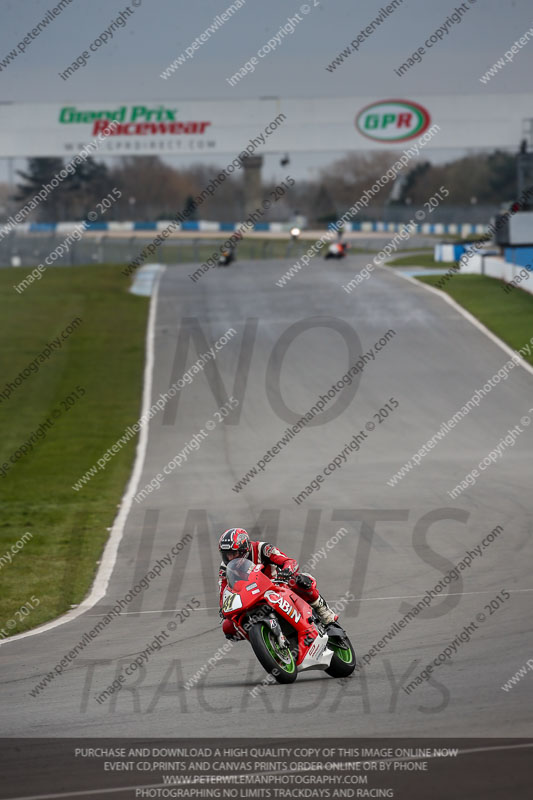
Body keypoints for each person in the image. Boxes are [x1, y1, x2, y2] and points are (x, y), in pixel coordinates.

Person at [218, 527, 338, 640]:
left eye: (233, 553)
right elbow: (223, 590)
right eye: (226, 554)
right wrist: (223, 606)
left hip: (276, 585)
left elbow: (289, 561)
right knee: (228, 626)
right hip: (250, 595)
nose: (230, 557)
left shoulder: (262, 548)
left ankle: (324, 613)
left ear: (245, 549)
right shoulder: (225, 568)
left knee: (299, 581)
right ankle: (265, 639)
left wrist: (286, 572)